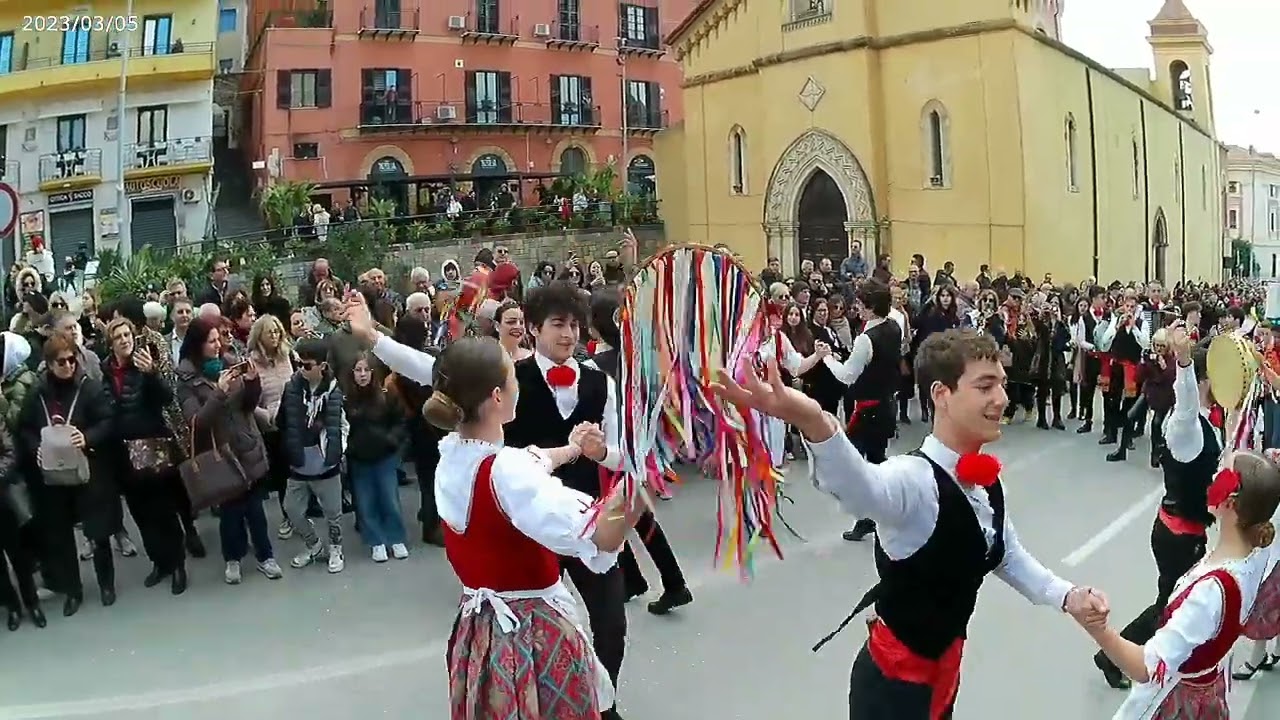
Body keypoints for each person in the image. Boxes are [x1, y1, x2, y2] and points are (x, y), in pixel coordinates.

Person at [712, 328, 1107, 719]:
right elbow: (861, 488)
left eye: (1002, 384)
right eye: (985, 386)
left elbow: (1006, 554)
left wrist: (1067, 596)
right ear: (941, 395)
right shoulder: (914, 479)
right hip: (892, 689)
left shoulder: (985, 481)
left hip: (942, 677)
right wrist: (815, 422)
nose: (1002, 398)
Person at [1080, 451, 1280, 719]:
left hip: (1179, 699)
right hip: (1208, 686)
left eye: (1221, 474)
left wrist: (1098, 630)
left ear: (1231, 502)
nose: (1211, 478)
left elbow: (1145, 667)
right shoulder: (1255, 555)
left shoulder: (1211, 593)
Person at [1093, 322, 1217, 689]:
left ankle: (1129, 657)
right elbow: (1188, 397)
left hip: (1182, 530)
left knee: (1177, 601)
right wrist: (1183, 362)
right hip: (1176, 537)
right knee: (1170, 605)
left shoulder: (1205, 422)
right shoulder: (1186, 425)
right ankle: (1116, 657)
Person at [827, 282, 901, 543]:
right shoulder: (893, 326)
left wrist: (827, 358)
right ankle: (875, 516)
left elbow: (847, 375)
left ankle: (871, 516)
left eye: (860, 302)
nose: (856, 306)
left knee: (858, 468)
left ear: (870, 307)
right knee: (876, 461)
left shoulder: (866, 339)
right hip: (885, 404)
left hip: (868, 409)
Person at [280, 338, 347, 574]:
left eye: (307, 365)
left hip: (326, 463)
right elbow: (283, 421)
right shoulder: (291, 388)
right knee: (292, 509)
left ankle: (335, 548)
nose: (301, 369)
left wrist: (336, 452)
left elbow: (342, 426)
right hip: (298, 462)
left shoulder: (334, 391)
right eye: (298, 364)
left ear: (323, 366)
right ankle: (314, 545)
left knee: (332, 513)